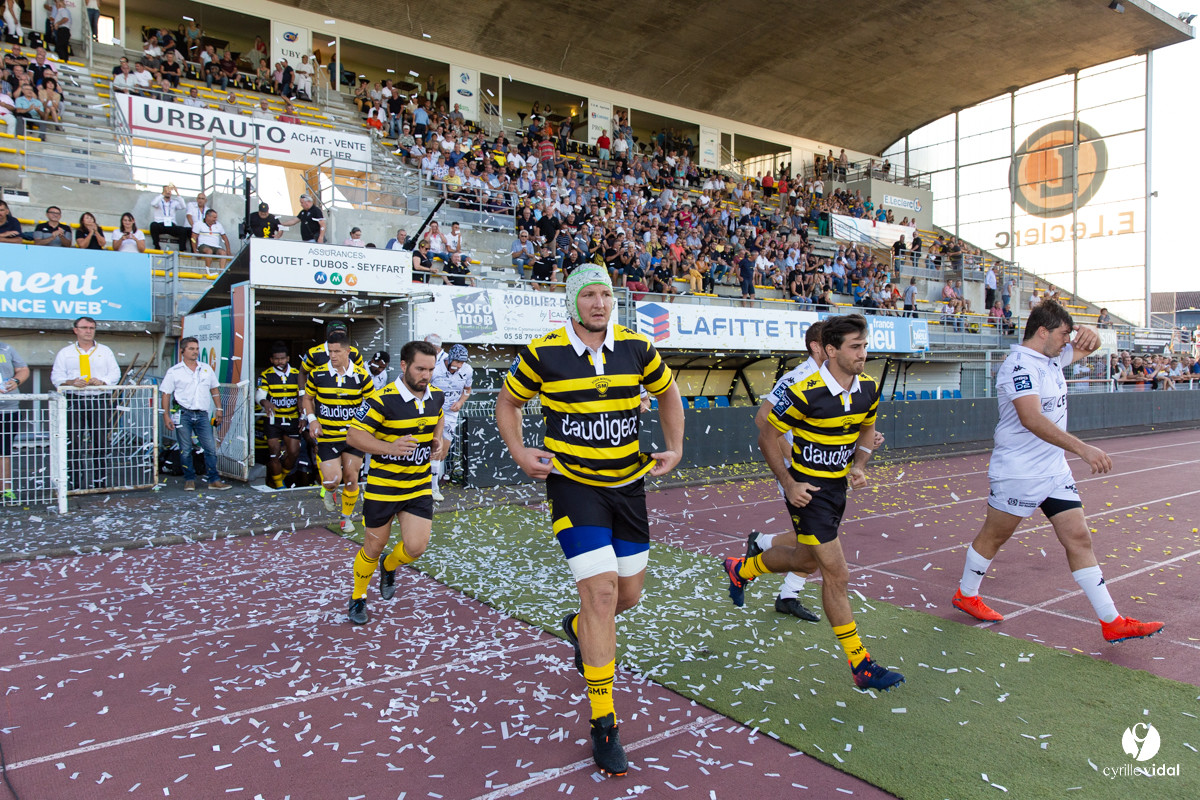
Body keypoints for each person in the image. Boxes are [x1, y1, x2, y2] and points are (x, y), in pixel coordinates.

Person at [495, 265, 685, 777]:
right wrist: (518, 451)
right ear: (572, 301)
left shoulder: (639, 349)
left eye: (605, 294)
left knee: (628, 596)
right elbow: (508, 402)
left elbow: (669, 394)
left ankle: (580, 630)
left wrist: (676, 447)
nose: (599, 303)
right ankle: (605, 723)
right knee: (601, 593)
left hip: (629, 485)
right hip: (573, 485)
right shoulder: (542, 352)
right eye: (589, 295)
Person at [951, 300, 1163, 643]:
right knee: (994, 536)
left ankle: (1112, 622)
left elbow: (1085, 346)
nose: (1068, 341)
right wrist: (1082, 448)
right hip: (1019, 472)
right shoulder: (1020, 366)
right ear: (1043, 332)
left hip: (1054, 470)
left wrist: (1089, 335)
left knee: (1079, 538)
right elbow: (1031, 418)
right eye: (1063, 334)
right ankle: (966, 594)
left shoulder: (1051, 357)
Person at [724, 314, 905, 692]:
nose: (863, 353)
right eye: (855, 347)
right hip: (808, 493)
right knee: (837, 574)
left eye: (865, 346)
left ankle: (743, 568)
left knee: (806, 560)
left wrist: (859, 463)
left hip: (837, 489)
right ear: (832, 350)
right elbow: (767, 434)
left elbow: (868, 426)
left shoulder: (868, 387)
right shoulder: (803, 389)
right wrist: (789, 482)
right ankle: (861, 664)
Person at [343, 340, 445, 625]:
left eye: (431, 369)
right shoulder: (382, 399)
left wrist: (438, 439)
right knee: (373, 547)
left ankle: (389, 567)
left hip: (418, 486)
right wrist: (389, 447)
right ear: (403, 366)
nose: (426, 375)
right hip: (383, 487)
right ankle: (358, 597)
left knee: (416, 548)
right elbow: (353, 436)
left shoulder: (436, 395)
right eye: (420, 369)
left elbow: (438, 417)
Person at [302, 330, 375, 534]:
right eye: (330, 351)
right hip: (327, 438)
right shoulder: (317, 374)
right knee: (333, 481)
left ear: (348, 351)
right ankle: (330, 489)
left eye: (337, 351)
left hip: (352, 439)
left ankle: (346, 518)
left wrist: (365, 425)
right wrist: (312, 419)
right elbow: (307, 398)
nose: (333, 355)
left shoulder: (362, 376)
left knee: (352, 478)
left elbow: (373, 403)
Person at [50, 317, 122, 489]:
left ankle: (100, 481)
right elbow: (56, 377)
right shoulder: (66, 352)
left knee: (101, 442)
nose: (88, 331)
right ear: (76, 330)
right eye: (84, 327)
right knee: (73, 443)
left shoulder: (105, 351)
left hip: (99, 400)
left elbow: (115, 373)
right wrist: (70, 382)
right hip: (75, 400)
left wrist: (103, 381)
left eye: (91, 327)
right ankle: (74, 481)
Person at [161, 337, 231, 491]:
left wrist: (219, 409)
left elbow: (214, 389)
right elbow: (166, 394)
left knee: (210, 448)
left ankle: (214, 479)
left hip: (202, 414)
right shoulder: (174, 371)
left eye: (197, 349)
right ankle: (189, 479)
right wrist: (166, 415)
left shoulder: (205, 368)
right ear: (182, 351)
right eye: (191, 349)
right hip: (183, 413)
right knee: (185, 448)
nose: (195, 352)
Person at [428, 344, 472, 501]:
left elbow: (467, 389)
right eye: (457, 362)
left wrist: (461, 402)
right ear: (450, 358)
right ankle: (432, 488)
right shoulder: (435, 369)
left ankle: (432, 481)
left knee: (443, 452)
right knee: (435, 446)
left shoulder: (467, 370)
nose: (458, 366)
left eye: (462, 362)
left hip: (451, 413)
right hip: (434, 412)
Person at [256, 341, 302, 490]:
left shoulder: (297, 375)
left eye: (282, 358)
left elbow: (303, 397)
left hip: (292, 419)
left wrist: (304, 416)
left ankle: (279, 478)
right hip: (273, 420)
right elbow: (260, 395)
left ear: (288, 358)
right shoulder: (266, 375)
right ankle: (279, 485)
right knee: (273, 454)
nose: (279, 362)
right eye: (276, 359)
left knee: (294, 453)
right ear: (271, 360)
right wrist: (265, 402)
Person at [0, 340, 30, 503]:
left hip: (8, 408)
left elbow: (22, 369)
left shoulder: (6, 348)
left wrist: (16, 381)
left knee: (4, 450)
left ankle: (5, 490)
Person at [150, 185, 191, 252]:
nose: (168, 192)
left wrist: (177, 192)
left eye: (169, 191)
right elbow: (153, 203)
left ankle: (182, 250)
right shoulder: (159, 201)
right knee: (153, 225)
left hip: (171, 225)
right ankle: (156, 246)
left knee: (183, 230)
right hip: (160, 224)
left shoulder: (174, 202)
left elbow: (183, 206)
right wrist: (162, 194)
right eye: (166, 190)